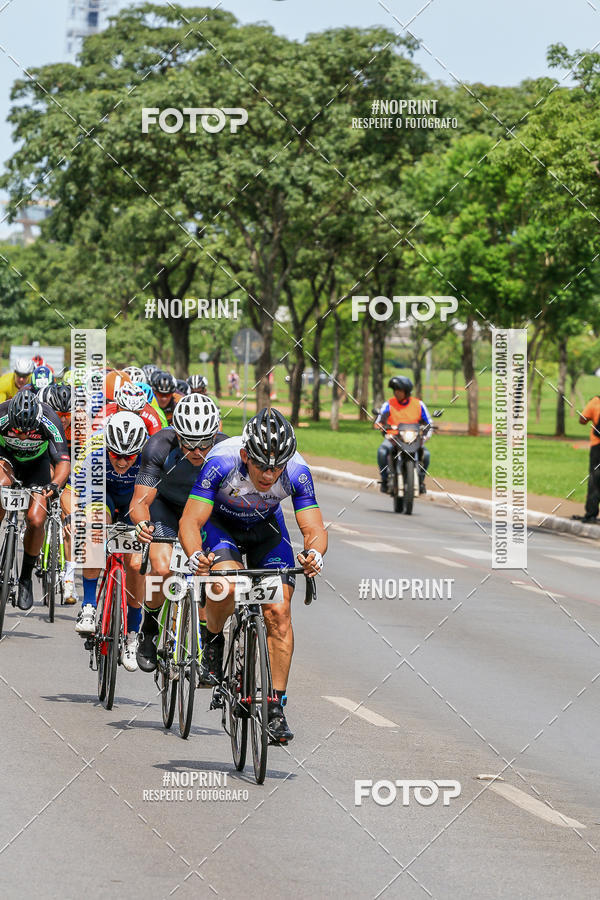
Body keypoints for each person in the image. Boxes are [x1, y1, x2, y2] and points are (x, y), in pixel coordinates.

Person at [179, 407, 327, 745]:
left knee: (278, 612)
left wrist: (315, 553)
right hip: (222, 526)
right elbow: (190, 521)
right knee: (224, 586)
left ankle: (275, 705)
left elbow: (313, 526)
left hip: (266, 529)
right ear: (246, 455)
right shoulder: (221, 463)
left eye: (276, 467)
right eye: (260, 464)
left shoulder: (297, 471)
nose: (268, 474)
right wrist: (195, 556)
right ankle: (213, 643)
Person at [130, 394, 225, 672]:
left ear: (215, 434)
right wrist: (142, 524)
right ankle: (149, 627)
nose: (197, 451)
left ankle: (208, 640)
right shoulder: (158, 446)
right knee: (160, 568)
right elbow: (140, 502)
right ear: (177, 435)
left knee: (211, 573)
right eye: (189, 443)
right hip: (167, 507)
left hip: (205, 512)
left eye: (205, 443)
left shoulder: (226, 448)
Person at [63, 412, 148, 671]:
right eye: (116, 455)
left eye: (129, 456)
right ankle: (88, 605)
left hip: (136, 501)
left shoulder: (150, 457)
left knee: (135, 565)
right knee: (95, 527)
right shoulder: (95, 451)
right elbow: (70, 492)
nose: (122, 462)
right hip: (103, 496)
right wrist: (72, 517)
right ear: (107, 447)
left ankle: (133, 633)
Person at [0, 391, 70, 609]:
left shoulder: (50, 418)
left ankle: (26, 578)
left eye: (27, 431)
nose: (21, 436)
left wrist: (55, 484)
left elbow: (63, 462)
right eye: (16, 430)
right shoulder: (2, 413)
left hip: (37, 466)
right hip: (7, 460)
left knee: (37, 519)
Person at [375, 376, 432, 494]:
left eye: (399, 390)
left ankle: (420, 481)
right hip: (393, 438)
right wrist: (381, 426)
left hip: (413, 439)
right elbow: (379, 421)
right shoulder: (388, 404)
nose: (397, 393)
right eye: (395, 390)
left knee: (426, 455)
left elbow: (428, 422)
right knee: (382, 451)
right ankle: (385, 479)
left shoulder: (418, 404)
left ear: (406, 392)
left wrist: (426, 435)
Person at [94, 382, 163, 436]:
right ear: (118, 406)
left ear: (142, 409)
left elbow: (157, 441)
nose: (129, 416)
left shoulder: (150, 414)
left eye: (135, 413)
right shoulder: (107, 411)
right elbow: (94, 439)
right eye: (125, 411)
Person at [574, 395, 600, 523]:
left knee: (595, 479)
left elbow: (582, 420)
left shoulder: (595, 401)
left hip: (597, 446)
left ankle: (591, 513)